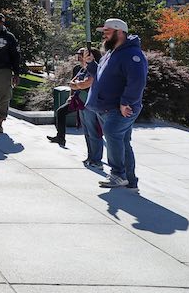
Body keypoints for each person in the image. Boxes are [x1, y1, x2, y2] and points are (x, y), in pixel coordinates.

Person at [84, 18, 148, 190]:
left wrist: (126, 102)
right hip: (107, 107)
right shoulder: (113, 52)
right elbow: (100, 74)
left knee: (112, 133)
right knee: (122, 142)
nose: (104, 34)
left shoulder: (132, 54)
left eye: (107, 31)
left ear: (120, 32)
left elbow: (137, 81)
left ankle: (118, 174)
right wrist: (90, 64)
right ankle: (130, 179)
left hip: (120, 108)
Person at [47, 48, 103, 155]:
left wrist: (78, 84)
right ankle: (61, 137)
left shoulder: (94, 69)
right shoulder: (79, 68)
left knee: (93, 131)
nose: (78, 56)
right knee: (85, 129)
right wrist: (72, 94)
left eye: (81, 54)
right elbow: (72, 84)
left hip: (89, 102)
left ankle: (95, 158)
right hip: (78, 100)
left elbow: (85, 83)